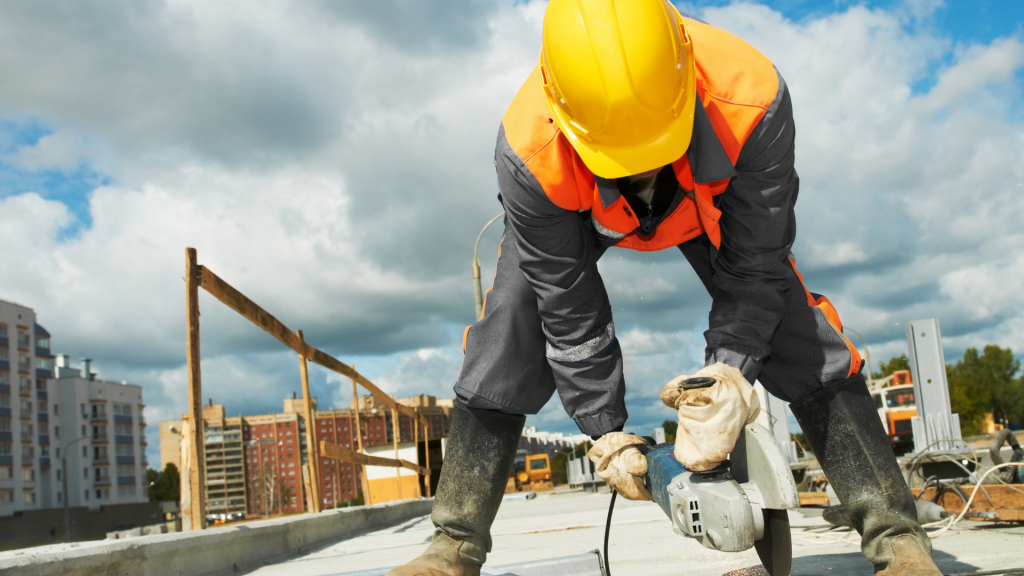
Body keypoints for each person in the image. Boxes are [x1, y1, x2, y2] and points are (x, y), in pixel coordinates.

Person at [388, 1, 941, 575]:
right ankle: (453, 544)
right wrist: (607, 434)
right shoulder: (530, 151)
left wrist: (726, 377)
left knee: (797, 328)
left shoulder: (751, 99)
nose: (640, 175)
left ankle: (898, 540)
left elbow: (756, 265)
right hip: (577, 214)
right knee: (509, 325)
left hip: (710, 202)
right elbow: (569, 309)